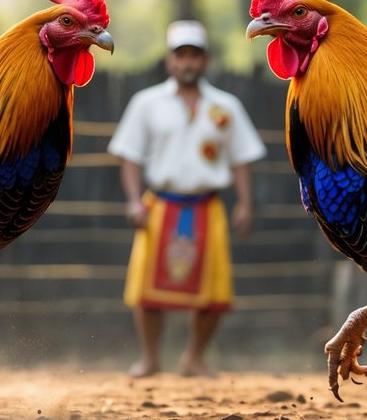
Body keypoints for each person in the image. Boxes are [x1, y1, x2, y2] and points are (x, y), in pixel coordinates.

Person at [108, 19, 266, 377]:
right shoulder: (146, 103)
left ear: (206, 60)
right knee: (147, 290)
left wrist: (244, 203)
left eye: (195, 55)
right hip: (159, 206)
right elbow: (129, 156)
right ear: (170, 61)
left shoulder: (227, 106)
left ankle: (194, 358)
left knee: (213, 291)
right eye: (181, 55)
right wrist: (134, 200)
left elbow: (241, 158)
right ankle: (150, 359)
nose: (188, 62)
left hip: (208, 206)